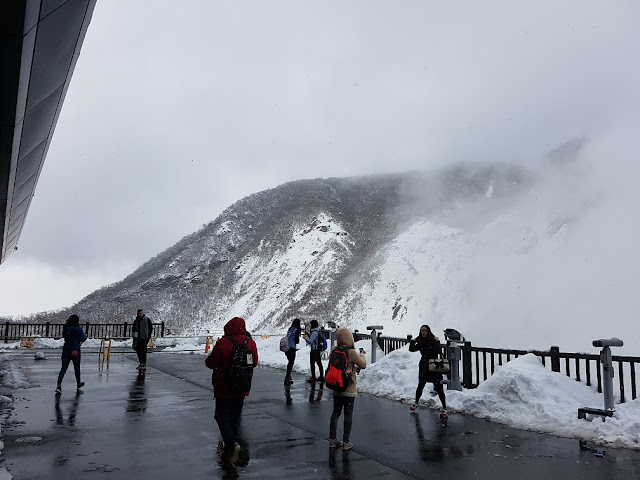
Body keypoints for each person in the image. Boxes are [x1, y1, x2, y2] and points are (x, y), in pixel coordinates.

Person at [205, 316, 258, 465]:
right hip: (242, 385)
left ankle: (231, 444)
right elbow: (254, 362)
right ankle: (232, 446)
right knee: (235, 416)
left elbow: (211, 362)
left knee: (221, 415)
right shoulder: (251, 342)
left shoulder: (223, 343)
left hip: (224, 386)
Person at [328, 327, 366, 450]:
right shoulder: (351, 352)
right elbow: (363, 365)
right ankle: (346, 442)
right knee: (348, 414)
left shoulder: (334, 349)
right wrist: (362, 355)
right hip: (348, 389)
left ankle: (333, 439)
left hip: (337, 385)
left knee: (335, 412)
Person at [408, 325, 447, 416]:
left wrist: (437, 342)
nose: (423, 332)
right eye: (422, 331)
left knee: (438, 387)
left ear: (428, 331)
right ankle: (416, 402)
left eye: (425, 331)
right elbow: (412, 349)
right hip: (424, 366)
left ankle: (444, 408)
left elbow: (438, 351)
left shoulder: (433, 340)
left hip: (433, 366)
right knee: (420, 385)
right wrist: (413, 341)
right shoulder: (420, 341)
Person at [55, 314, 87, 395]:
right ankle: (78, 383)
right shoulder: (79, 329)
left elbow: (65, 337)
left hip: (66, 350)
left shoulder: (66, 329)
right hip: (75, 350)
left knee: (63, 369)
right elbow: (82, 339)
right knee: (77, 368)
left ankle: (59, 386)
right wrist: (85, 337)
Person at [284, 318, 301, 385]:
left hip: (286, 347)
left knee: (289, 362)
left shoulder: (290, 329)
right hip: (291, 347)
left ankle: (289, 376)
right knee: (291, 362)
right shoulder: (296, 330)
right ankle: (287, 377)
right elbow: (297, 341)